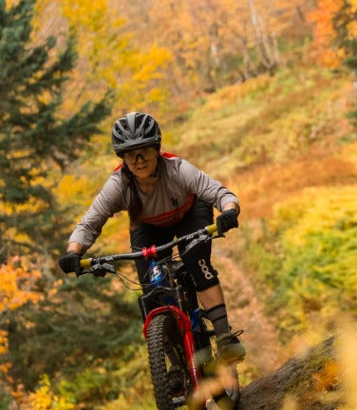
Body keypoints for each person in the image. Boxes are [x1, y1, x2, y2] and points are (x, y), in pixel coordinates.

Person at [58, 111, 246, 363]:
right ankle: (174, 362)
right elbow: (90, 222)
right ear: (122, 158)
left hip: (190, 214)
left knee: (196, 263)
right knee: (152, 289)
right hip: (149, 227)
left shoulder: (178, 169)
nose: (137, 159)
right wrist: (74, 252)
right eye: (129, 153)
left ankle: (224, 337)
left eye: (144, 150)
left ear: (156, 149)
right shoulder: (118, 185)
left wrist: (229, 212)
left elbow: (219, 192)